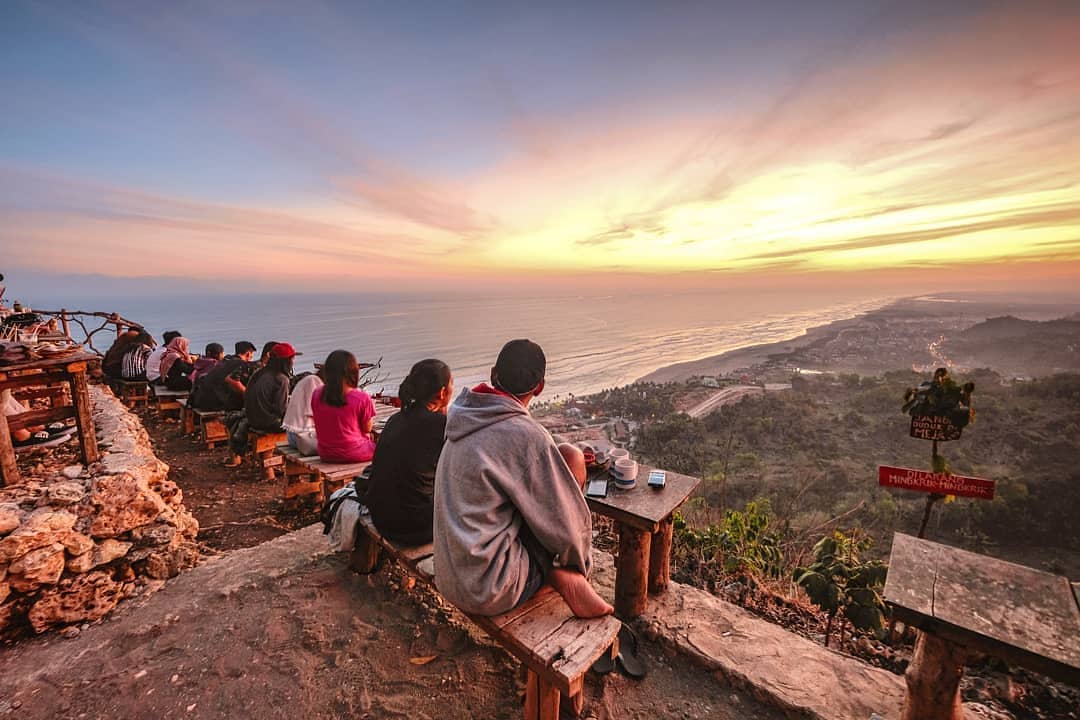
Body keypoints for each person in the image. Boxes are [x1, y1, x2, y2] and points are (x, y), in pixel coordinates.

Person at [433, 339, 613, 618]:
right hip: (490, 589)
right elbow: (563, 522)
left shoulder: (462, 419)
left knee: (563, 456)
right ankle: (560, 576)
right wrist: (579, 566)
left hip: (449, 575)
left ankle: (554, 572)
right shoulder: (526, 436)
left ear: (494, 374)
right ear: (539, 387)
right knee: (572, 458)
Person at [365, 359, 452, 546]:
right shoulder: (441, 426)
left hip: (381, 517)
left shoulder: (395, 419)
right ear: (443, 392)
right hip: (413, 528)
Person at [224, 342, 296, 467]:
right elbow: (281, 410)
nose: (293, 362)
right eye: (292, 359)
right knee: (303, 426)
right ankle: (293, 462)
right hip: (266, 422)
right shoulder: (282, 379)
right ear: (286, 361)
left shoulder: (259, 372)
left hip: (251, 418)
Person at [311, 350, 376, 463]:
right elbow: (367, 428)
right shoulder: (361, 398)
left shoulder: (317, 394)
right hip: (354, 452)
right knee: (386, 449)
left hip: (326, 453)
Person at [189, 341, 256, 411]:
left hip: (200, 399)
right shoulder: (241, 365)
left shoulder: (226, 360)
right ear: (248, 354)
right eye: (252, 354)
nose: (252, 357)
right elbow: (234, 382)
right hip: (214, 403)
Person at [282, 367, 324, 456]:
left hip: (298, 435)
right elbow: (316, 413)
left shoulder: (310, 380)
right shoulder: (313, 381)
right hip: (302, 438)